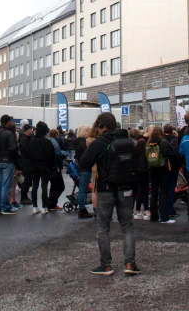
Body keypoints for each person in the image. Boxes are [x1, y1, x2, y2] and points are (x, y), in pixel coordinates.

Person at [80, 112, 141, 276]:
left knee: (103, 228)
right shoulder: (129, 141)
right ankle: (130, 263)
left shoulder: (100, 142)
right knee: (127, 227)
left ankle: (106, 265)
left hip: (106, 189)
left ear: (101, 126)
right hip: (126, 188)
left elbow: (84, 162)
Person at [146, 125, 175, 224]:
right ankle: (164, 216)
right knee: (163, 192)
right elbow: (170, 154)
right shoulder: (163, 143)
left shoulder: (149, 143)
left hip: (152, 169)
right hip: (163, 169)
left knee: (154, 192)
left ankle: (153, 216)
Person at [0, 115, 18, 215]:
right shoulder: (9, 133)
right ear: (7, 122)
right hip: (7, 161)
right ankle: (5, 207)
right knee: (6, 185)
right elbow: (12, 149)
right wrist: (16, 161)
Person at [29, 121, 55, 214]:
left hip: (34, 165)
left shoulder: (31, 140)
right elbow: (51, 156)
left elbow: (29, 154)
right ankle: (44, 207)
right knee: (44, 186)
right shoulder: (47, 142)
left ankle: (35, 207)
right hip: (45, 166)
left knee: (35, 185)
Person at [131, 128, 151, 221]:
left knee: (139, 190)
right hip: (143, 168)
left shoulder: (138, 142)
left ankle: (138, 211)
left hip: (138, 168)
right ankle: (144, 210)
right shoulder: (144, 142)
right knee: (144, 190)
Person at [75, 125, 94, 219]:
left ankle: (81, 208)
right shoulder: (83, 144)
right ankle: (81, 209)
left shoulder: (78, 143)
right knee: (82, 190)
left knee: (82, 189)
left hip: (81, 168)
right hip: (85, 169)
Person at [47, 129, 68, 211]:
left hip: (50, 167)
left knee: (53, 186)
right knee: (60, 186)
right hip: (55, 167)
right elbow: (57, 153)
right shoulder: (54, 142)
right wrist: (65, 153)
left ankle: (52, 204)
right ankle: (50, 202)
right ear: (56, 134)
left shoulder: (48, 140)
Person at [163, 124, 181, 218]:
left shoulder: (161, 140)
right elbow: (178, 154)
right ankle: (170, 208)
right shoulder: (175, 141)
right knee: (171, 188)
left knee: (163, 188)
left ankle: (163, 208)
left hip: (162, 167)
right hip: (173, 167)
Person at [18, 124, 33, 204]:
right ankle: (23, 197)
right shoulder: (24, 139)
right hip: (26, 162)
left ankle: (25, 197)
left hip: (26, 161)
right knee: (26, 180)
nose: (32, 131)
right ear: (28, 130)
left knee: (28, 180)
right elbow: (29, 150)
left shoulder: (25, 138)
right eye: (31, 129)